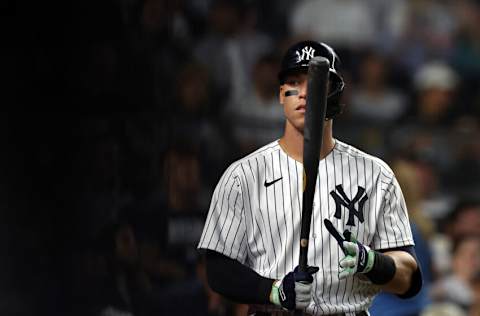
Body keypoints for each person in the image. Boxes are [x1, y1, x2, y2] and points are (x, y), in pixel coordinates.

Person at [198, 40, 422, 316]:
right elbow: (218, 270)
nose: (304, 93)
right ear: (281, 94)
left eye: (316, 83)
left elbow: (409, 277)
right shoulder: (243, 174)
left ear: (337, 95)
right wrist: (274, 291)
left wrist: (373, 262)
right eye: (295, 82)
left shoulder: (376, 175)